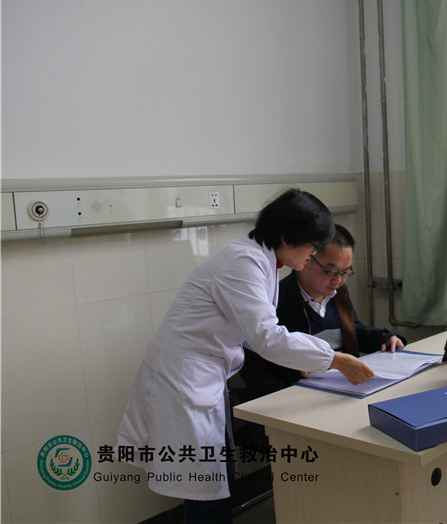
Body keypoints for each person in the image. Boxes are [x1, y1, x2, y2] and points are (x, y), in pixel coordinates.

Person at [117, 189, 374, 524]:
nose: (313, 254)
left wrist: (304, 359)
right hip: (182, 382)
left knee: (214, 481)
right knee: (205, 490)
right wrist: (335, 360)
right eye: (312, 246)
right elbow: (267, 337)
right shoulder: (244, 262)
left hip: (201, 381)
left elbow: (255, 334)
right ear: (286, 238)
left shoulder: (263, 261)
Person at [230, 224, 406, 444]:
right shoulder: (275, 300)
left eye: (345, 272)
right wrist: (288, 397)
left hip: (340, 396)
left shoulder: (337, 294)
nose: (338, 280)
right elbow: (254, 364)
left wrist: (384, 338)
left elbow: (353, 330)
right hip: (296, 405)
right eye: (331, 271)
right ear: (306, 259)